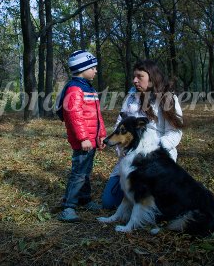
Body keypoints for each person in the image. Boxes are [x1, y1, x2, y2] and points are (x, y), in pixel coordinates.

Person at [101, 60, 184, 210]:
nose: (134, 80)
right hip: (128, 159)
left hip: (156, 162)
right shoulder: (130, 97)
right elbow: (119, 127)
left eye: (140, 76)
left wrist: (154, 150)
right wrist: (123, 150)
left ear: (152, 78)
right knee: (109, 202)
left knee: (157, 207)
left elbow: (175, 132)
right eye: (134, 76)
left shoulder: (168, 98)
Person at [56, 50, 107, 222]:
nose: (95, 71)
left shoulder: (87, 87)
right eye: (93, 67)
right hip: (83, 141)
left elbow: (97, 115)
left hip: (91, 139)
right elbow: (74, 116)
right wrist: (83, 138)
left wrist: (101, 135)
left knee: (86, 172)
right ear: (82, 68)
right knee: (78, 173)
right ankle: (68, 207)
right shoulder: (74, 88)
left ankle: (85, 199)